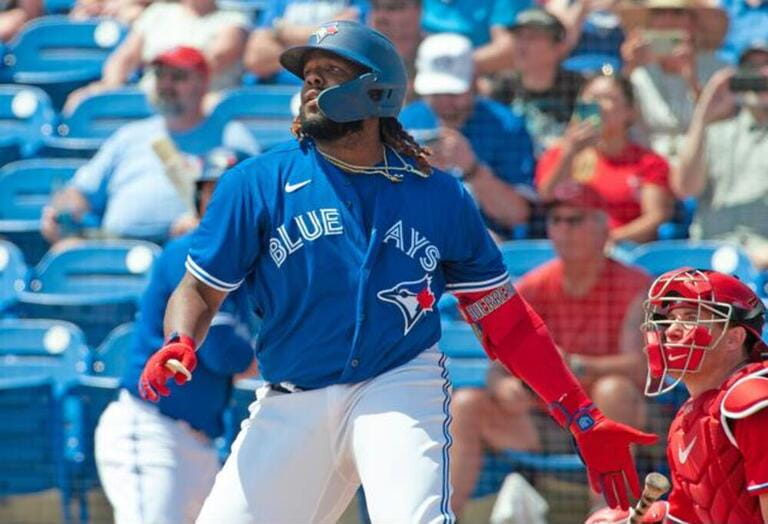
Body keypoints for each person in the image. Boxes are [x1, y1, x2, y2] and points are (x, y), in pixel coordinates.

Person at [138, 21, 656, 523]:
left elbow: (507, 322)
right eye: (307, 77)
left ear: (376, 93)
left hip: (397, 383)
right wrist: (181, 339)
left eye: (329, 75)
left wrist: (580, 414)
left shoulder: (439, 195)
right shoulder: (255, 183)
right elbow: (200, 290)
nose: (311, 86)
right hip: (292, 393)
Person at [450, 181, 651, 517]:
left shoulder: (635, 285)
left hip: (615, 417)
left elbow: (643, 369)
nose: (563, 230)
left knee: (613, 390)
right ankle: (446, 515)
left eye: (575, 220)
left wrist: (578, 365)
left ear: (604, 228)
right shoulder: (535, 284)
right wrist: (504, 386)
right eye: (556, 221)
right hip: (549, 421)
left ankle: (608, 513)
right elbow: (499, 363)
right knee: (467, 403)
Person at [94, 148, 258, 524]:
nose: (219, 204)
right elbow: (221, 351)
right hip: (153, 431)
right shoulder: (188, 252)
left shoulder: (248, 262)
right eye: (210, 193)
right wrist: (260, 359)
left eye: (229, 195)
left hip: (196, 441)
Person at [585, 267, 768, 523]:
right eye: (670, 319)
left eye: (691, 318)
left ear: (733, 338)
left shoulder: (754, 401)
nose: (671, 331)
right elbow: (691, 515)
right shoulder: (686, 421)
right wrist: (645, 517)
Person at [41, 46, 259, 247]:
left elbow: (253, 203)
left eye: (178, 77)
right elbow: (79, 191)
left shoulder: (231, 137)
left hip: (188, 250)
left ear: (203, 83)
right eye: (160, 75)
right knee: (66, 249)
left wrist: (207, 222)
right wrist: (61, 210)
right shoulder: (130, 135)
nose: (166, 85)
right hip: (117, 247)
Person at [400, 32, 536, 239]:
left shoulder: (505, 126)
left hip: (487, 244)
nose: (445, 103)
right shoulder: (406, 122)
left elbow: (518, 215)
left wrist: (472, 169)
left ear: (474, 82)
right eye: (436, 94)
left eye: (454, 94)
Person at [535, 73, 674, 243]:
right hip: (566, 249)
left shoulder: (649, 162)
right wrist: (570, 153)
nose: (598, 106)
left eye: (608, 98)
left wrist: (607, 241)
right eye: (592, 98)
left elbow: (655, 216)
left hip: (622, 250)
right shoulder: (560, 154)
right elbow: (546, 196)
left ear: (629, 111)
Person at [671, 40, 768, 269]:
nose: (759, 78)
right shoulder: (713, 132)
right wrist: (704, 112)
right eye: (750, 70)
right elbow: (685, 188)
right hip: (708, 255)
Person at [63, 0, 249, 112]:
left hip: (202, 102)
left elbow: (213, 60)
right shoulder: (158, 12)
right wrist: (109, 86)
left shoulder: (233, 19)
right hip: (150, 99)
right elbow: (124, 58)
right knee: (83, 100)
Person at [618, 0, 728, 163]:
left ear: (694, 23)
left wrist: (692, 79)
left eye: (677, 13)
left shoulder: (718, 71)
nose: (668, 21)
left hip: (702, 165)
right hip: (649, 168)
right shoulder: (639, 72)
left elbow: (722, 126)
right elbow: (618, 122)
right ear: (650, 24)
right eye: (659, 14)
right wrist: (628, 68)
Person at [489, 7, 587, 155]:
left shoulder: (578, 86)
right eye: (518, 36)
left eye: (532, 37)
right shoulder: (504, 87)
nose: (521, 45)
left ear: (558, 48)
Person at [243, 0, 368, 83]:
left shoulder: (359, 3)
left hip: (330, 94)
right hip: (271, 95)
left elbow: (344, 39)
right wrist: (323, 34)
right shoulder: (282, 2)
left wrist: (282, 32)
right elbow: (256, 59)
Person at [368, 0, 423, 103]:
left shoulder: (440, 53)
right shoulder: (359, 57)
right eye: (375, 7)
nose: (380, 17)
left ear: (419, 10)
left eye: (393, 7)